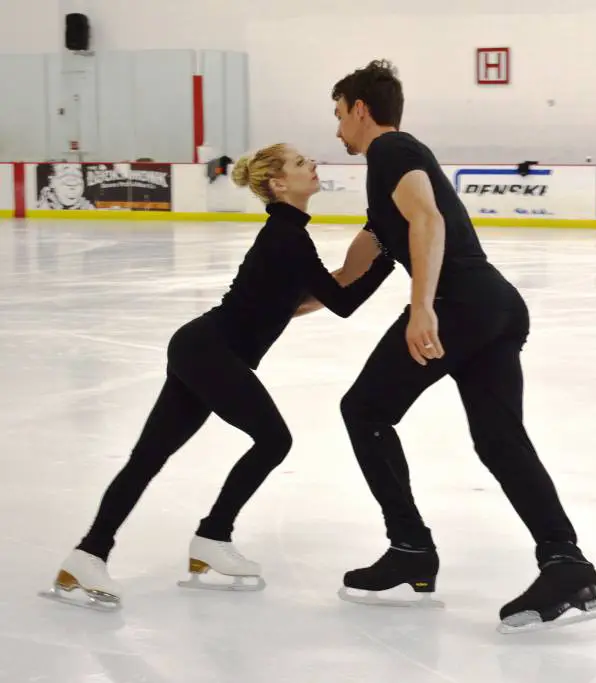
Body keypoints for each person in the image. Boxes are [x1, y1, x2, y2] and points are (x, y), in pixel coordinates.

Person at [40, 143, 395, 610]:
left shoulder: (287, 236)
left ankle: (91, 554)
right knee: (273, 441)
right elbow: (342, 302)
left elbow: (304, 302)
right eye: (300, 163)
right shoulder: (288, 238)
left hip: (202, 349)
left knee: (149, 457)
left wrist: (372, 254)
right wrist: (388, 259)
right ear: (278, 183)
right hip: (209, 352)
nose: (312, 166)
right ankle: (210, 536)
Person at [326, 59, 596, 633]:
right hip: (493, 306)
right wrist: (262, 303)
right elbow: (344, 280)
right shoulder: (386, 186)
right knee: (499, 440)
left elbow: (428, 221)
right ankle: (566, 564)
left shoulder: (391, 150)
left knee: (364, 409)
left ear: (361, 109)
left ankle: (410, 548)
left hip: (458, 305)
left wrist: (423, 306)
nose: (337, 131)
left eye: (339, 115)